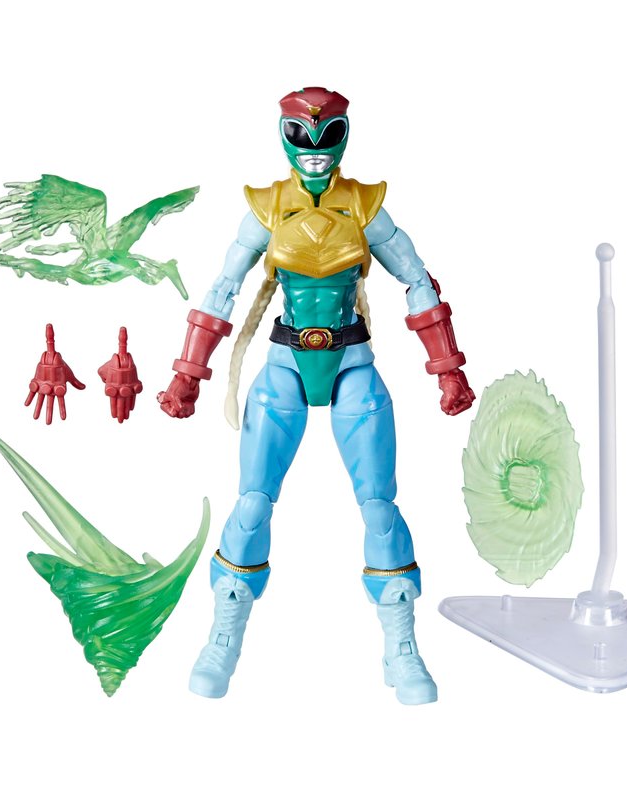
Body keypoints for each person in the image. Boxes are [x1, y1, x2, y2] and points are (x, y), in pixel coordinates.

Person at [158, 87, 474, 705]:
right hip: (284, 361)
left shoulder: (364, 205)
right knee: (252, 503)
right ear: (283, 135)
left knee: (379, 506)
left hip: (352, 359)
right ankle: (224, 633)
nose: (315, 149)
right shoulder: (267, 208)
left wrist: (447, 368)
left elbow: (417, 279)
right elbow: (222, 288)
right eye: (301, 135)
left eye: (328, 134)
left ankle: (401, 645)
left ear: (345, 135)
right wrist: (188, 373)